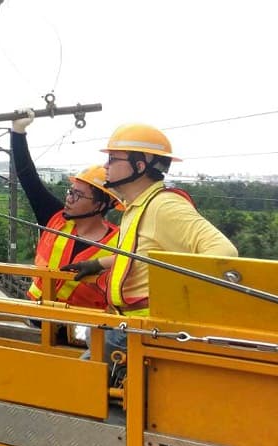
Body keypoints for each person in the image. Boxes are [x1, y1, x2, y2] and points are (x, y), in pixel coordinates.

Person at [62, 123, 238, 360]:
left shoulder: (164, 206)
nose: (106, 165)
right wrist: (98, 264)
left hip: (145, 331)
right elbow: (144, 256)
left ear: (140, 165)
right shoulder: (138, 205)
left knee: (76, 382)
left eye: (113, 158)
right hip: (130, 326)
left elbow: (223, 252)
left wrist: (176, 299)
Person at [12, 110, 120, 310]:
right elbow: (28, 178)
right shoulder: (55, 219)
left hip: (83, 330)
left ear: (100, 205)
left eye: (77, 195)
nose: (69, 199)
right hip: (37, 315)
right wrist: (18, 132)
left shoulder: (120, 242)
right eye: (70, 192)